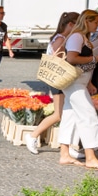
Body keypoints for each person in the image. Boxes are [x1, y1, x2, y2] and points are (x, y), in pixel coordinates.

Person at [57, 10, 98, 170]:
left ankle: (65, 154)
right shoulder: (77, 37)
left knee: (69, 115)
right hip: (74, 83)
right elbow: (72, 58)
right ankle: (90, 157)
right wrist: (96, 58)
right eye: (95, 22)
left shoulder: (84, 38)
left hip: (79, 82)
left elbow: (82, 64)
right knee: (88, 115)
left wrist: (89, 83)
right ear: (87, 21)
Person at [25, 13, 81, 156]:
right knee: (59, 114)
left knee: (67, 114)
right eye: (77, 24)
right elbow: (59, 59)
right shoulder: (61, 39)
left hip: (58, 79)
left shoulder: (59, 37)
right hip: (58, 79)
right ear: (70, 24)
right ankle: (32, 136)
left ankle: (69, 147)